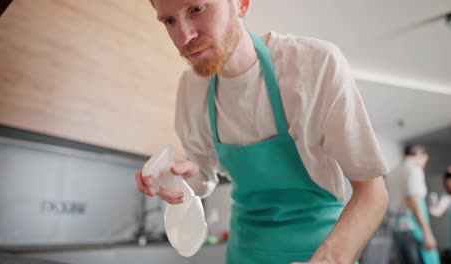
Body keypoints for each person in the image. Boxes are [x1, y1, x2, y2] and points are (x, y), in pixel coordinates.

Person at [136, 0, 390, 263]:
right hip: (245, 252)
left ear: (241, 5)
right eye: (169, 21)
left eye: (197, 9)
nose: (183, 37)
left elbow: (373, 189)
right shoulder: (191, 89)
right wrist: (181, 180)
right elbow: (204, 178)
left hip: (321, 250)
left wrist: (329, 259)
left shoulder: (315, 65)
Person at [388, 145, 440, 264]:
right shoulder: (414, 170)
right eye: (425, 161)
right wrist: (427, 232)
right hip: (412, 228)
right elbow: (413, 200)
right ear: (419, 155)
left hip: (396, 227)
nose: (424, 164)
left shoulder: (393, 172)